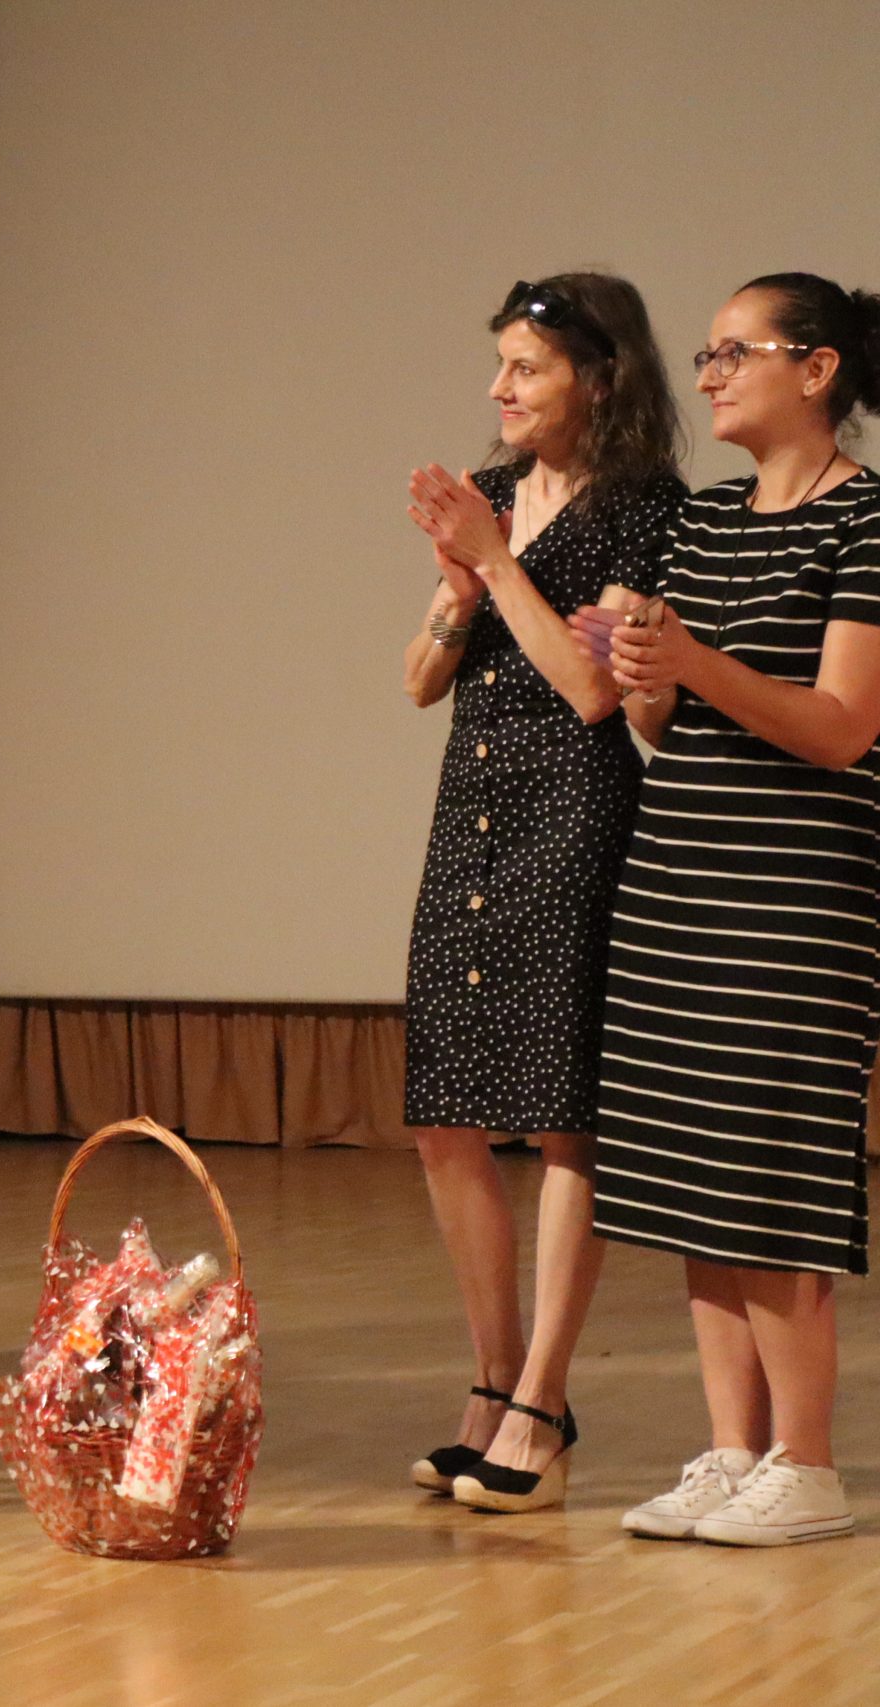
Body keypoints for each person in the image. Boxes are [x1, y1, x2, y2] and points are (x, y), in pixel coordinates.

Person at [572, 273, 880, 1547]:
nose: (706, 374)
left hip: (795, 889)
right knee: (691, 1172)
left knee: (766, 1174)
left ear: (814, 368)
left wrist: (693, 661)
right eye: (703, 355)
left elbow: (842, 726)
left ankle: (806, 1465)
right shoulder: (701, 520)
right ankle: (732, 1450)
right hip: (678, 873)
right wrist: (638, 672)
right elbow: (664, 722)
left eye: (731, 352)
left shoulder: (868, 520)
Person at [397, 275, 686, 1512]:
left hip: (573, 816)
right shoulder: (493, 493)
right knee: (443, 1115)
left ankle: (542, 1400)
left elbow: (591, 690)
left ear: (598, 379)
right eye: (501, 364)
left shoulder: (644, 510)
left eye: (526, 367)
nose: (500, 388)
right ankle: (495, 1381)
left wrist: (494, 560)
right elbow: (418, 680)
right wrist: (459, 589)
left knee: (566, 1115)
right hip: (469, 813)